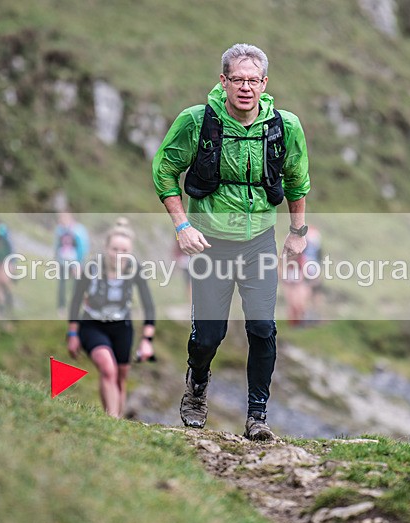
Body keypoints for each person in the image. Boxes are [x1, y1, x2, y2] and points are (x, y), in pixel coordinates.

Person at [152, 43, 311, 441]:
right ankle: (197, 385)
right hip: (210, 244)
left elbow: (297, 180)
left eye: (252, 80)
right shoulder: (197, 121)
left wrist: (297, 233)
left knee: (262, 327)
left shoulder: (284, 127)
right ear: (222, 81)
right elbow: (164, 171)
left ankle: (257, 416)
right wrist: (181, 226)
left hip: (258, 241)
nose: (245, 87)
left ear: (264, 83)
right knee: (209, 335)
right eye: (237, 79)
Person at [66, 221, 156, 417]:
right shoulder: (91, 268)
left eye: (124, 250)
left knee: (121, 377)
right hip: (92, 326)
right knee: (108, 369)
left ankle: (118, 421)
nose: (119, 254)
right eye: (115, 249)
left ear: (130, 251)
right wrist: (72, 334)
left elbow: (149, 307)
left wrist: (147, 341)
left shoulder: (135, 269)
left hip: (122, 327)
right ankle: (113, 421)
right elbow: (75, 302)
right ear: (106, 248)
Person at [54, 212, 89, 313]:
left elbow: (83, 247)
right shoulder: (60, 229)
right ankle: (61, 307)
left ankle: (76, 306)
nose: (61, 221)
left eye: (63, 219)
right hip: (63, 262)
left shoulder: (78, 230)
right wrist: (56, 257)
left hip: (75, 263)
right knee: (62, 285)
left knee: (77, 286)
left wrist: (78, 263)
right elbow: (57, 244)